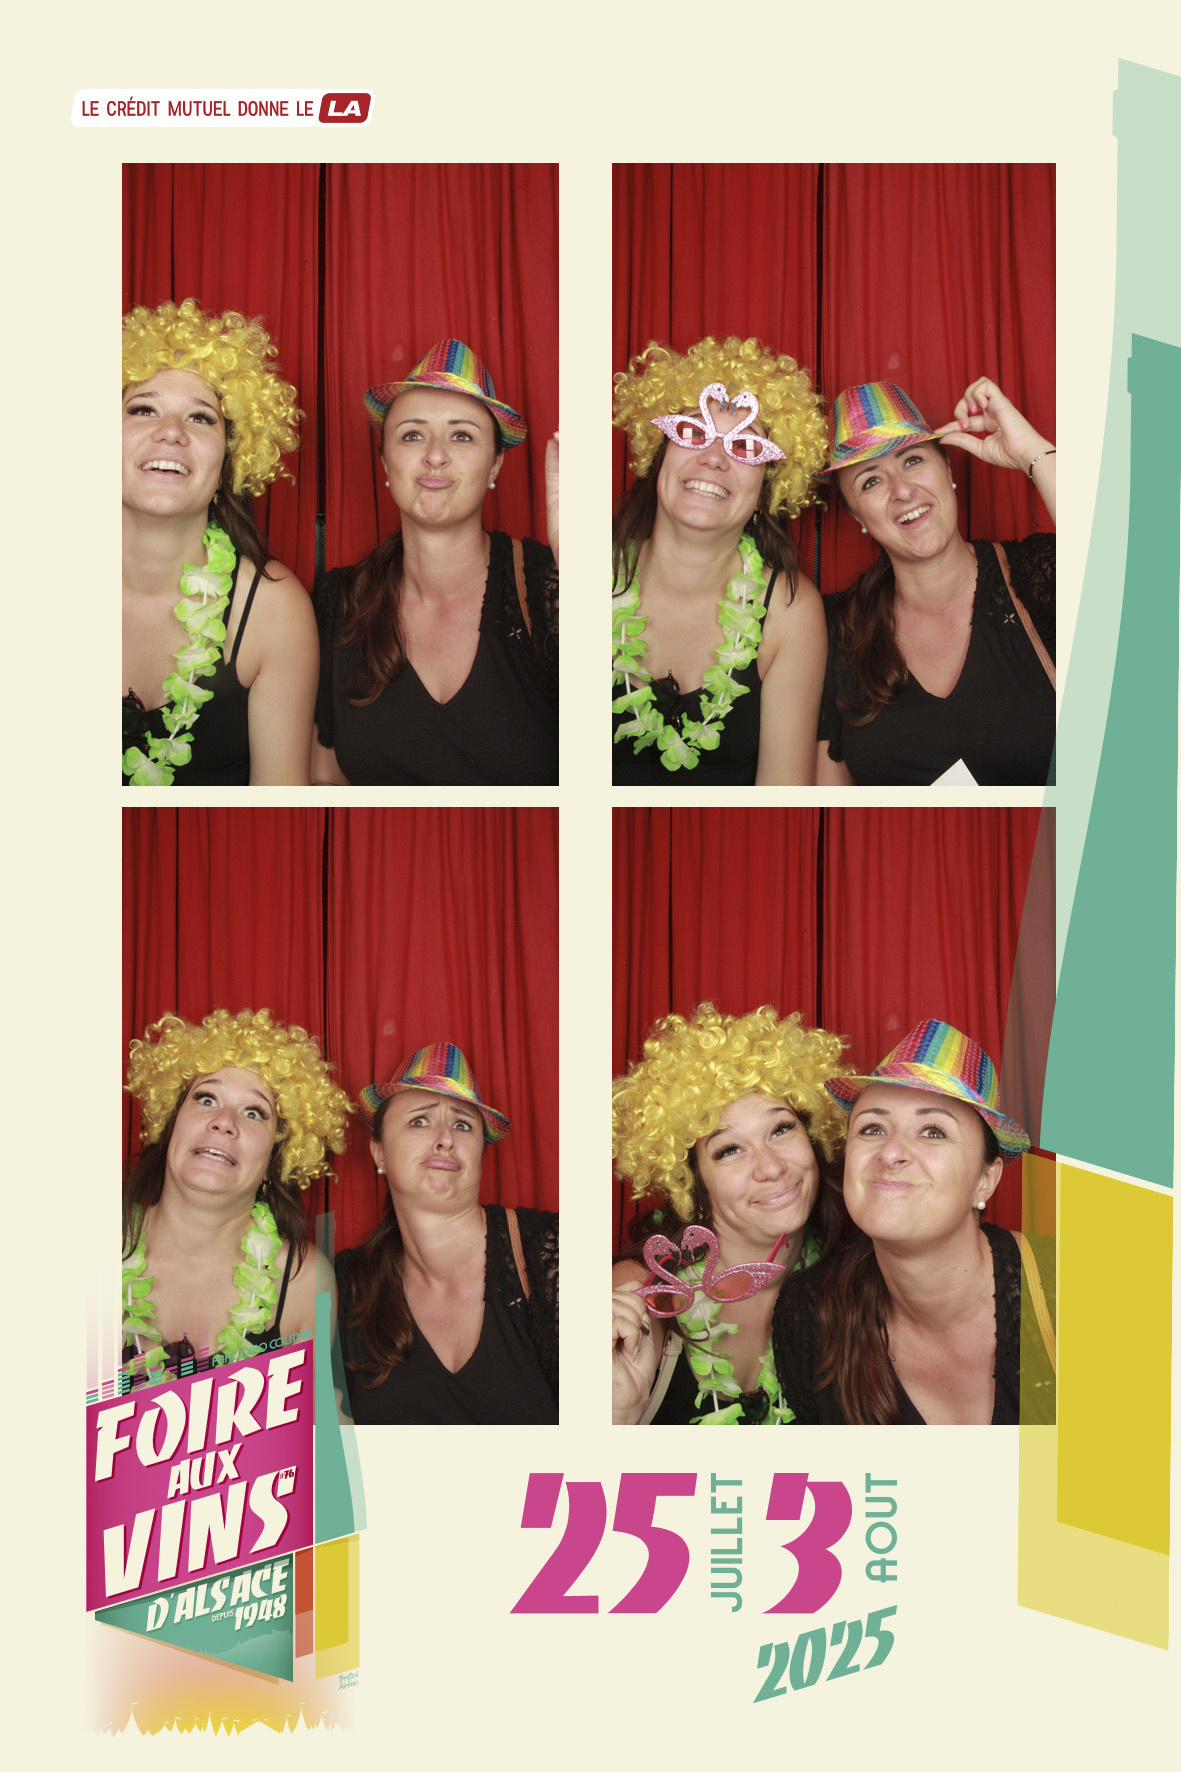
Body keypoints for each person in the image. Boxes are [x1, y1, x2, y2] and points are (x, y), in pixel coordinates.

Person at [772, 1018, 1053, 1425]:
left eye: (933, 1132)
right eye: (872, 1128)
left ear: (986, 1179)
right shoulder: (810, 1317)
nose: (891, 1153)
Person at [312, 340, 559, 786]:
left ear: (495, 466)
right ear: (385, 462)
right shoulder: (337, 602)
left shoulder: (549, 583)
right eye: (412, 435)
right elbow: (324, 775)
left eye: (462, 435)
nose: (436, 455)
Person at [611, 1004, 850, 1424]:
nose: (770, 1167)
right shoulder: (639, 1294)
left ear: (813, 1137)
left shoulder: (860, 1279)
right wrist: (619, 1414)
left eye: (781, 1129)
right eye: (729, 1150)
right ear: (694, 1184)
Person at [815, 377, 1056, 786]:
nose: (903, 490)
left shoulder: (1037, 577)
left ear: (947, 468)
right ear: (856, 516)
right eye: (871, 481)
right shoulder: (834, 628)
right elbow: (831, 797)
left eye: (912, 460)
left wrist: (1030, 452)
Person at [611, 337, 828, 786]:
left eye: (745, 446)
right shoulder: (576, 573)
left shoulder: (790, 611)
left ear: (768, 488)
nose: (713, 458)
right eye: (693, 433)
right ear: (658, 457)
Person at [122, 299, 319, 786]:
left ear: (230, 461)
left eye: (200, 417)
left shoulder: (273, 610)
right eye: (143, 409)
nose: (170, 432)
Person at [122, 1008, 352, 1386]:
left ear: (275, 1160)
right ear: (171, 1125)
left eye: (254, 1112)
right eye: (206, 1098)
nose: (224, 1121)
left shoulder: (304, 1281)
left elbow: (323, 1421)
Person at [335, 1042, 558, 1423]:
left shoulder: (549, 1251)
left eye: (462, 1125)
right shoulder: (346, 1284)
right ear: (378, 1152)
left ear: (479, 1154)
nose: (446, 1139)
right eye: (419, 1121)